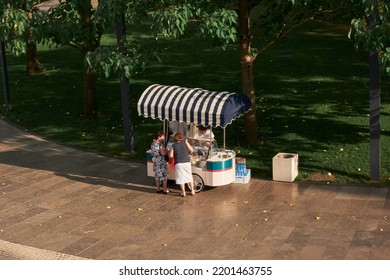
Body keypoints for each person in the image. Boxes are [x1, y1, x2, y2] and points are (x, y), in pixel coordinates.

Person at [168, 132, 195, 197]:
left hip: (179, 163)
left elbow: (171, 156)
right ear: (181, 137)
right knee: (189, 176)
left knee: (180, 178)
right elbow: (191, 150)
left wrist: (168, 152)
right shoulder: (185, 142)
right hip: (187, 162)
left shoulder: (173, 145)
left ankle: (183, 192)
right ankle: (192, 191)